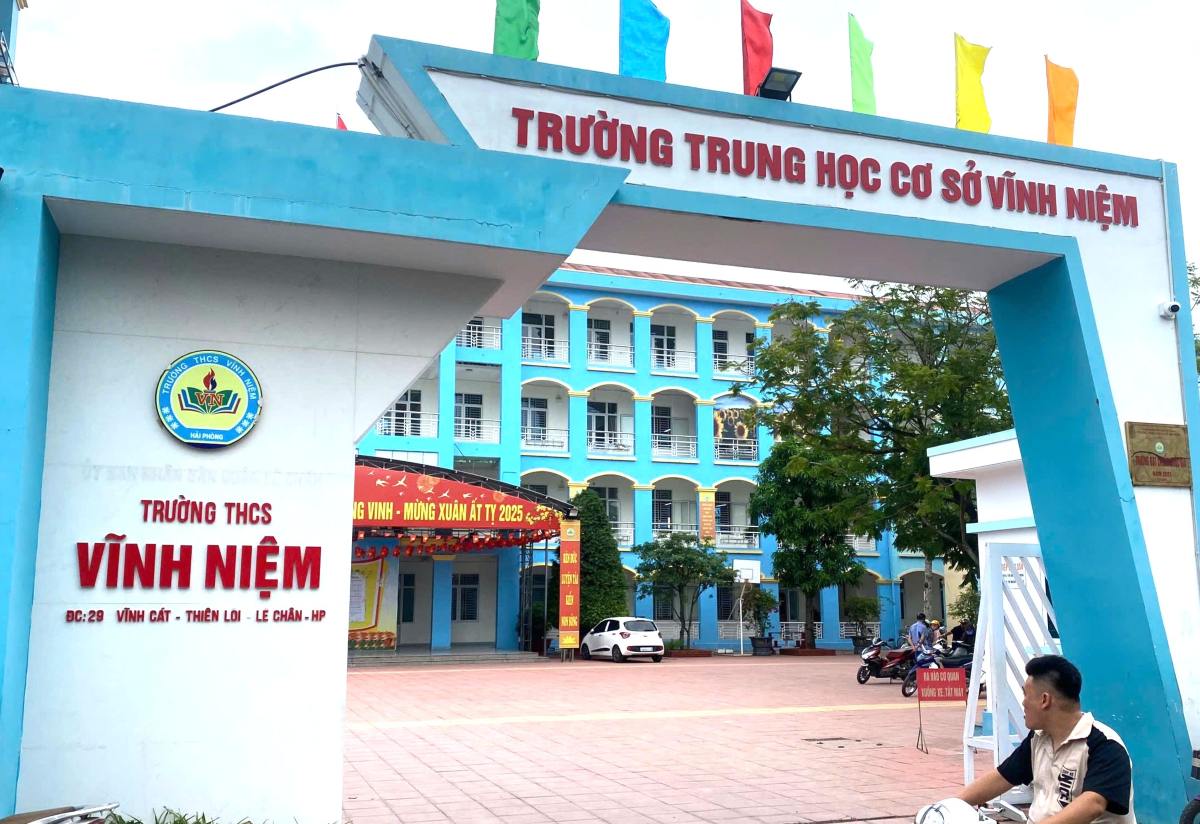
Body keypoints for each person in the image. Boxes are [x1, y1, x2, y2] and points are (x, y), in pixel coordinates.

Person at [957, 655, 1134, 824]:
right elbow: (1003, 777)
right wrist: (949, 805)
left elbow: (1092, 804)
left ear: (1044, 700)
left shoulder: (1104, 744)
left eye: (1026, 694)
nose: (1024, 703)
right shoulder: (1038, 738)